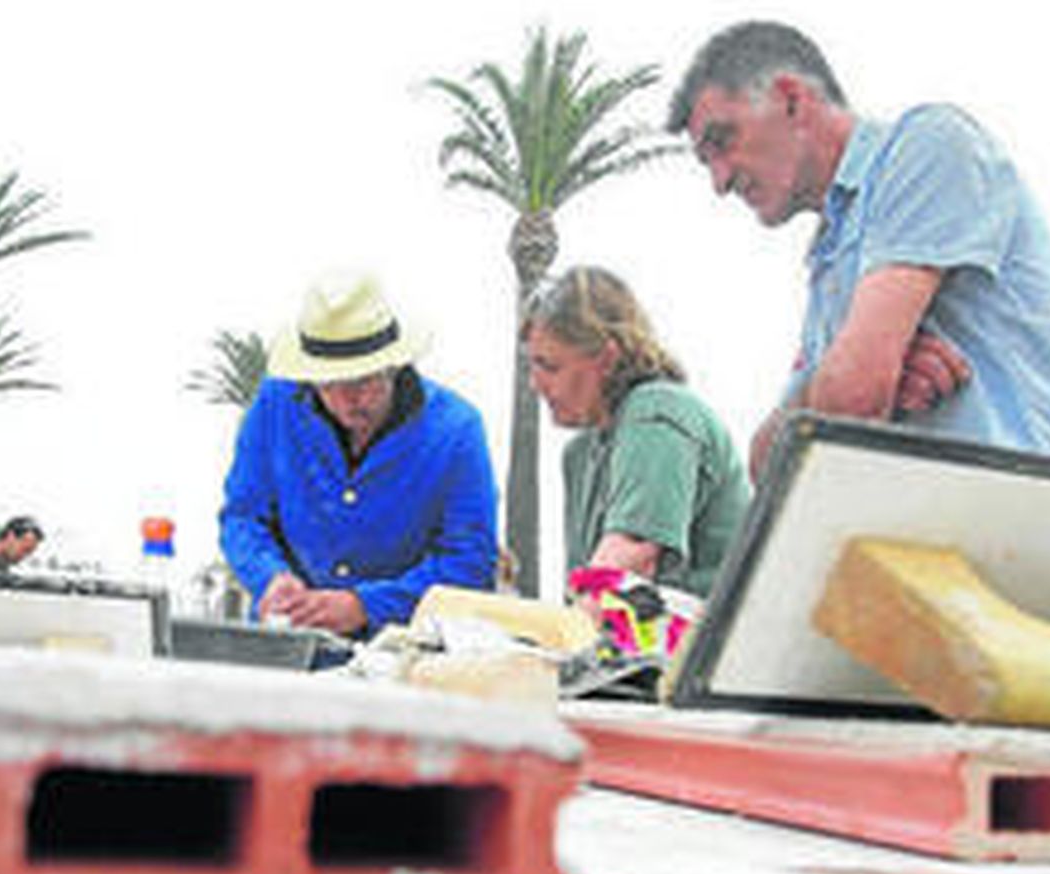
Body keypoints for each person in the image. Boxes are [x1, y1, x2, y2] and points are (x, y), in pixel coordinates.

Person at [667, 21, 1050, 476]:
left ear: (791, 98)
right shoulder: (830, 258)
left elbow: (852, 399)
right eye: (708, 163)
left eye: (723, 141)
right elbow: (766, 463)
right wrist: (841, 382)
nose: (720, 181)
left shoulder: (927, 146)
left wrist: (848, 384)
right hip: (951, 527)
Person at [219, 274, 498, 639]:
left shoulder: (457, 429)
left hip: (408, 657)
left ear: (392, 364)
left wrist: (366, 605)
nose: (346, 398)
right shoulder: (273, 405)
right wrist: (270, 577)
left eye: (362, 379)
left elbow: (470, 564)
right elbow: (242, 517)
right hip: (289, 649)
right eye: (329, 382)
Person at [523, 265, 751, 599]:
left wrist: (566, 641)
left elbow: (630, 557)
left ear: (607, 357)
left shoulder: (657, 412)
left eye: (550, 366)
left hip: (711, 641)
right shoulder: (580, 453)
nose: (535, 384)